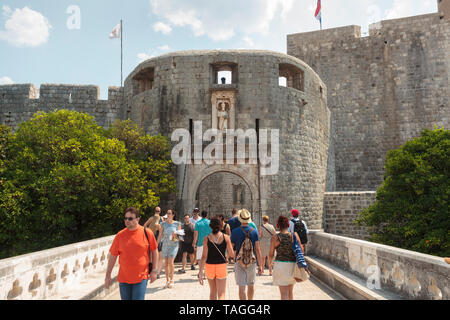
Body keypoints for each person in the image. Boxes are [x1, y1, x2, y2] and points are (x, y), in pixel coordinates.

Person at [105, 207, 158, 300]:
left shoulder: (147, 233)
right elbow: (113, 256)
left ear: (138, 219)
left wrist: (154, 270)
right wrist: (108, 275)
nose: (127, 221)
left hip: (141, 277)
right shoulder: (120, 235)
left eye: (130, 218)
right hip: (124, 278)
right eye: (125, 218)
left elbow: (154, 251)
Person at [270, 215, 310, 300]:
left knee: (283, 294)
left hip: (280, 266)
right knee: (290, 292)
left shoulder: (275, 238)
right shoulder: (294, 235)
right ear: (288, 225)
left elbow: (271, 254)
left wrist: (270, 263)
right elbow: (301, 250)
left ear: (278, 226)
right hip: (292, 266)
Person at [198, 216, 235, 300]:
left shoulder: (206, 238)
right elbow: (232, 254)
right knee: (221, 293)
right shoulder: (226, 237)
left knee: (212, 292)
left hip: (209, 266)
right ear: (221, 225)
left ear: (210, 226)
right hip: (221, 265)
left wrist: (200, 273)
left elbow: (204, 257)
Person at [230, 209, 263, 300]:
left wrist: (232, 258)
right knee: (251, 285)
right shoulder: (254, 231)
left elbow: (230, 248)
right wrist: (260, 265)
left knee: (241, 287)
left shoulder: (235, 232)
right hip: (251, 261)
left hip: (239, 261)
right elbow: (257, 249)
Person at [157, 210, 181, 288]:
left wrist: (176, 235)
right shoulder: (162, 224)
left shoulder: (177, 224)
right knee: (166, 263)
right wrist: (156, 244)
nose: (168, 214)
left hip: (174, 245)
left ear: (173, 215)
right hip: (165, 245)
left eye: (169, 213)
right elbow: (160, 235)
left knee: (171, 262)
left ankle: (172, 279)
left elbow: (180, 237)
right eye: (167, 213)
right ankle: (167, 280)